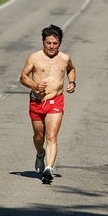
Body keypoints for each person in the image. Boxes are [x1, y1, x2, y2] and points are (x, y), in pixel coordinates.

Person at [20, 24, 76, 183]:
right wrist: (34, 85)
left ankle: (49, 168)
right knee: (39, 137)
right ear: (43, 42)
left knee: (52, 136)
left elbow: (71, 69)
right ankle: (40, 155)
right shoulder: (34, 58)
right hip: (37, 102)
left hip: (55, 101)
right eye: (48, 43)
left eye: (55, 43)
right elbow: (23, 77)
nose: (51, 46)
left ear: (60, 43)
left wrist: (72, 82)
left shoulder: (65, 58)